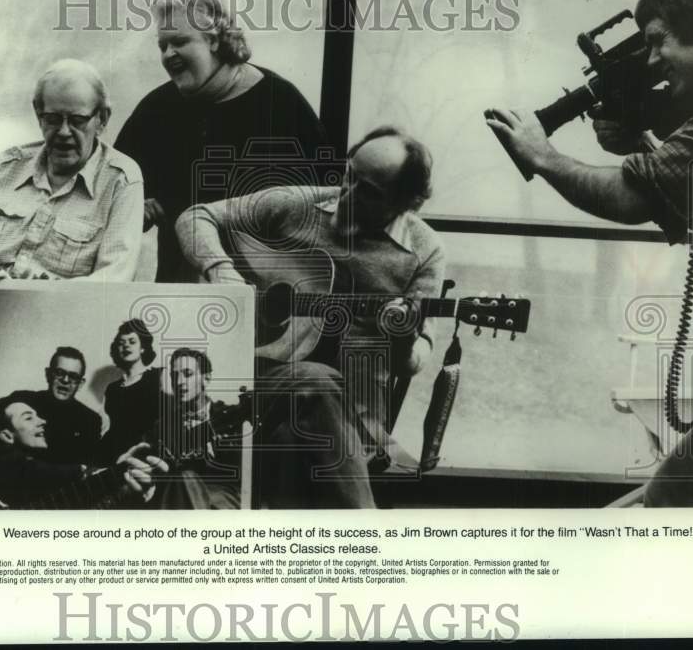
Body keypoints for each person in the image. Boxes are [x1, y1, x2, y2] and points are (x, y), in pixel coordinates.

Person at [485, 0, 693, 506]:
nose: (652, 60)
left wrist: (542, 156)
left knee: (679, 490)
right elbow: (692, 208)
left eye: (658, 42)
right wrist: (639, 145)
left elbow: (634, 198)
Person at [176, 126, 446, 508]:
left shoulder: (424, 251)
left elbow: (415, 360)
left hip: (352, 418)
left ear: (408, 203)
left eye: (369, 191)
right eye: (349, 175)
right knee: (312, 383)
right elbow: (195, 216)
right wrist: (221, 269)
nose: (347, 195)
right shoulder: (297, 206)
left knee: (297, 431)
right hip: (261, 391)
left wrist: (402, 335)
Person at [114, 0, 331, 282]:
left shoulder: (280, 103)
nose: (168, 55)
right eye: (162, 46)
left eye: (179, 42)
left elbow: (326, 201)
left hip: (273, 293)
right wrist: (136, 207)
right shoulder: (157, 109)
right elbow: (115, 189)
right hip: (182, 287)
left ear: (215, 41)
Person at [0, 58, 144, 290]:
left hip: (51, 321)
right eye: (53, 119)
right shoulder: (6, 166)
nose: (64, 132)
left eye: (77, 121)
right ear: (38, 114)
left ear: (102, 118)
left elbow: (113, 282)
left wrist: (21, 289)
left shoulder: (121, 180)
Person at [0, 391, 166, 509]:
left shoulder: (44, 469)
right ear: (7, 436)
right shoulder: (16, 477)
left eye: (38, 415)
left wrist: (120, 476)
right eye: (29, 418)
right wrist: (113, 471)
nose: (43, 421)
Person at [155, 348, 244, 510]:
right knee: (183, 478)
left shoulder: (231, 417)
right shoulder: (162, 426)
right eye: (175, 376)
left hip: (223, 499)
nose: (180, 382)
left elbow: (241, 473)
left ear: (206, 379)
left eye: (187, 374)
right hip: (177, 496)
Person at [15, 346, 102, 464]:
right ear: (48, 374)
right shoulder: (23, 399)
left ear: (80, 384)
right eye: (60, 373)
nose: (65, 380)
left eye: (73, 376)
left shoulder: (90, 420)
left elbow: (86, 468)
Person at [98, 319, 164, 464]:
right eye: (121, 343)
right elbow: (108, 429)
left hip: (145, 457)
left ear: (143, 347)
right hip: (111, 458)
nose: (126, 345)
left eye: (132, 341)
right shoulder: (112, 388)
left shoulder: (158, 377)